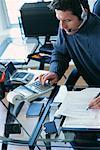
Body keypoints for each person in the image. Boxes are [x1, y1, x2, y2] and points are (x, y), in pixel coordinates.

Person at [38, 0, 100, 149]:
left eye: (68, 20)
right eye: (59, 20)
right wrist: (55, 71)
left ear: (84, 12)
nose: (62, 26)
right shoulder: (66, 28)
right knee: (74, 137)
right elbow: (60, 52)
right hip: (93, 92)